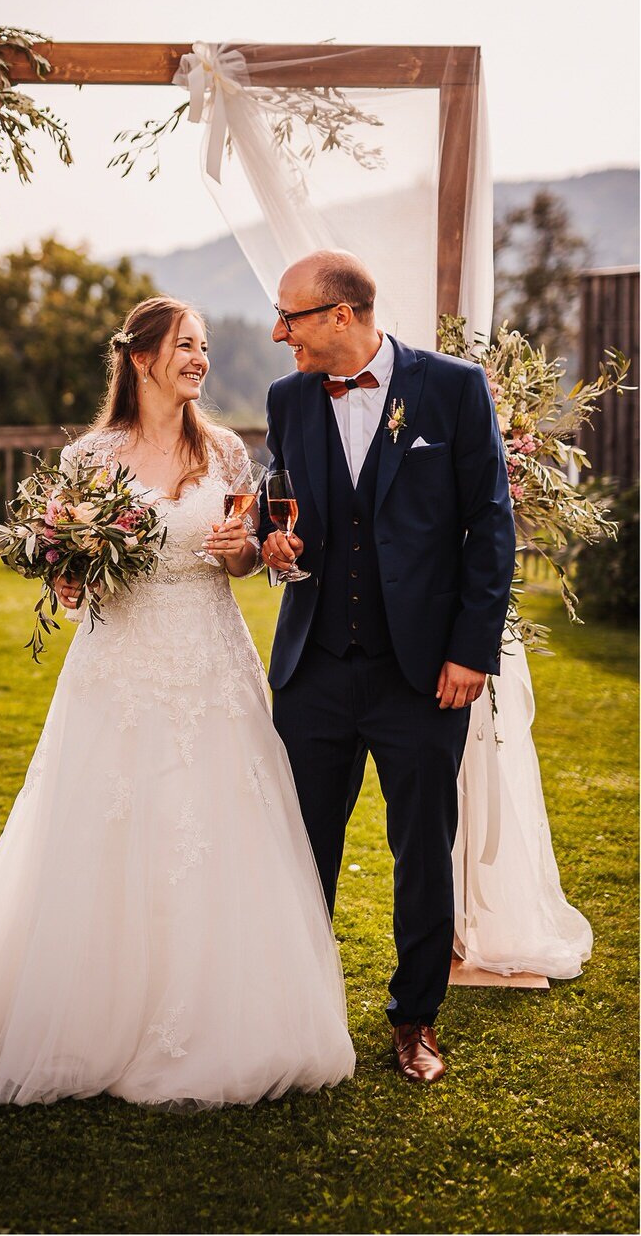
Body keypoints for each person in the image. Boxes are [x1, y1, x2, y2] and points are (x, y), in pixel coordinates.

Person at [0, 295, 355, 1107]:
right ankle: (95, 1008)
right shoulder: (93, 455)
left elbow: (239, 560)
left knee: (218, 826)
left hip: (212, 664)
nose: (200, 358)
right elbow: (76, 579)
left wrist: (240, 551)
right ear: (143, 358)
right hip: (119, 669)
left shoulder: (227, 451)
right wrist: (67, 572)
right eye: (186, 345)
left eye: (203, 345)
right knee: (109, 826)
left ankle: (222, 1013)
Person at [260, 251, 516, 1083]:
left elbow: (491, 528)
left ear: (340, 315)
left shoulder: (452, 387)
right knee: (301, 850)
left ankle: (415, 1021)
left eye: (289, 317)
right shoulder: (288, 397)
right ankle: (298, 1007)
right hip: (315, 670)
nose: (278, 332)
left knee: (421, 847)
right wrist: (274, 537)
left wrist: (470, 651)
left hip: (424, 672)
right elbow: (277, 496)